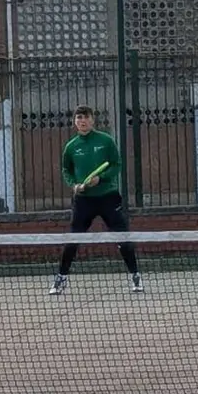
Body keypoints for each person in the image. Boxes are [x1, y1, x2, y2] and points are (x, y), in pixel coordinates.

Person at [48, 106, 143, 295]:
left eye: (86, 117)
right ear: (75, 122)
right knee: (73, 240)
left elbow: (117, 164)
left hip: (108, 197)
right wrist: (74, 185)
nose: (82, 121)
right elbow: (66, 170)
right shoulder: (71, 146)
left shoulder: (106, 141)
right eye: (79, 118)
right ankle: (61, 278)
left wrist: (101, 178)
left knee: (123, 237)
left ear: (93, 120)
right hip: (84, 201)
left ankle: (135, 276)